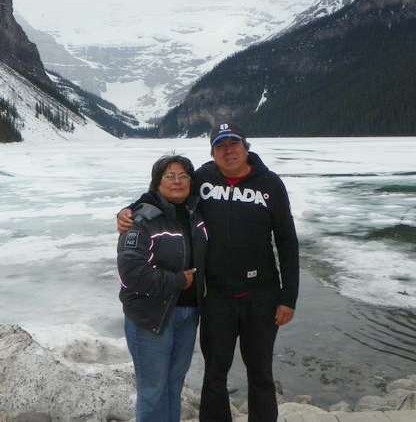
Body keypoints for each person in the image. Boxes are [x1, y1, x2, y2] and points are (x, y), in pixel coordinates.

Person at [117, 123, 299, 422]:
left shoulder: (270, 184)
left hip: (262, 295)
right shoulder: (202, 178)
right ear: (213, 151)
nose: (228, 151)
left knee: (261, 374)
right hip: (216, 297)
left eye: (234, 144)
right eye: (220, 146)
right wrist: (128, 211)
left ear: (246, 146)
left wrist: (288, 297)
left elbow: (287, 241)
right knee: (214, 376)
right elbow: (163, 194)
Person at [117, 153, 209, 422]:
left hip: (187, 316)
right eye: (170, 176)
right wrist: (178, 281)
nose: (177, 181)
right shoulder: (141, 219)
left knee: (173, 387)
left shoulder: (197, 213)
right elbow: (131, 273)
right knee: (152, 391)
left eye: (183, 175)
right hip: (151, 317)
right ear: (157, 183)